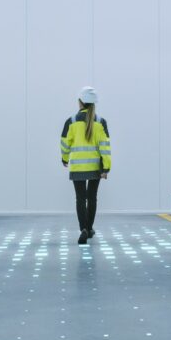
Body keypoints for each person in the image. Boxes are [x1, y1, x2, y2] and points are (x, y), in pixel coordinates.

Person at [60, 86, 111, 245]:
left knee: (80, 199)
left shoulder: (71, 121)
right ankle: (89, 229)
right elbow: (105, 147)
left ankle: (83, 228)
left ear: (80, 102)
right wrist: (105, 167)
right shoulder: (101, 122)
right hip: (95, 167)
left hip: (77, 167)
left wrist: (64, 158)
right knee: (92, 198)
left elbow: (64, 143)